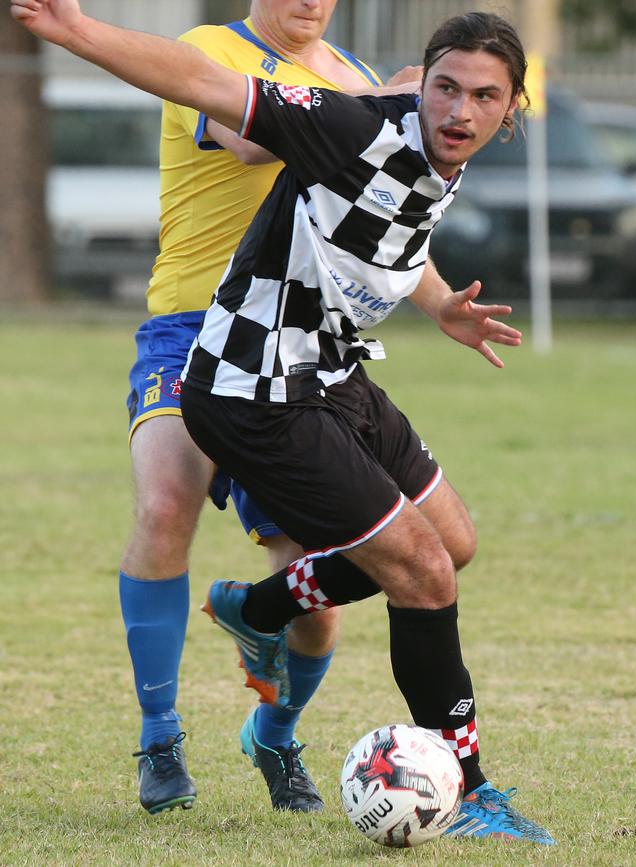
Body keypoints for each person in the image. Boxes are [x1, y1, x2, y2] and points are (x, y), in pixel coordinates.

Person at [10, 0, 554, 844]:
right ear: (424, 84)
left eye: (484, 96)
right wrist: (75, 29)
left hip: (329, 366)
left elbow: (382, 232)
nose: (459, 109)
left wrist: (444, 302)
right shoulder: (348, 111)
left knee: (451, 543)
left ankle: (260, 610)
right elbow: (208, 88)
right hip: (249, 379)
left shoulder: (420, 124)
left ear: (510, 106)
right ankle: (471, 790)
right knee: (418, 571)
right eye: (445, 89)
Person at [118, 1, 421, 815]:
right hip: (191, 327)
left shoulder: (352, 77)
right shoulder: (207, 50)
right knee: (165, 504)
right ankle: (158, 734)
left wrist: (441, 300)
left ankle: (276, 731)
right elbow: (258, 132)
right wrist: (392, 103)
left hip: (294, 346)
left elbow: (374, 213)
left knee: (320, 569)